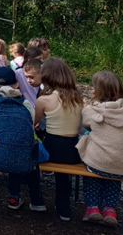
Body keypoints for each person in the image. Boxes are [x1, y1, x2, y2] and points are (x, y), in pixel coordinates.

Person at [0, 67, 45, 211]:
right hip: (19, 151)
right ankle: (14, 197)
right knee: (17, 145)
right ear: (16, 84)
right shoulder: (26, 104)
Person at [77, 71, 123, 226]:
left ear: (98, 91)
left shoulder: (91, 109)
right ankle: (110, 210)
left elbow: (86, 125)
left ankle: (92, 208)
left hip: (98, 162)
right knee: (115, 173)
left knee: (93, 167)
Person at [34, 57, 83, 221]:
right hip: (74, 151)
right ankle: (63, 207)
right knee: (63, 173)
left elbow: (34, 124)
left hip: (52, 149)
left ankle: (36, 199)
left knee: (33, 155)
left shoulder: (43, 100)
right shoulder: (78, 98)